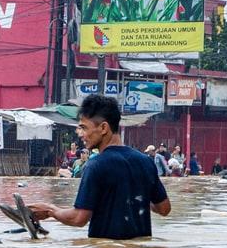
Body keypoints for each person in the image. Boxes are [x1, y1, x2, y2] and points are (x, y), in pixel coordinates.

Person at [28, 95, 170, 240]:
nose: (81, 134)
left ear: (103, 128)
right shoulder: (145, 162)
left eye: (84, 128)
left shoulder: (95, 165)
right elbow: (164, 209)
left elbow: (78, 218)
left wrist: (50, 210)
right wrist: (138, 196)